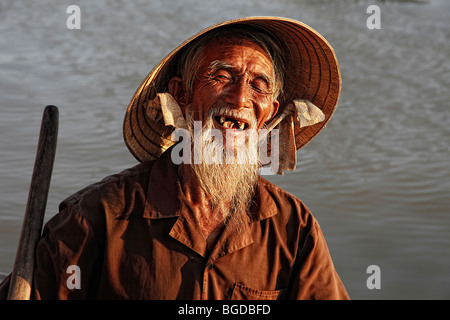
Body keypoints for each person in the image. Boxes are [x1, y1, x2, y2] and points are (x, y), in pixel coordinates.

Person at [0, 17, 349, 299]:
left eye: (259, 84)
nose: (241, 96)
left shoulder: (292, 227)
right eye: (222, 75)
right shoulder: (98, 215)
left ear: (268, 115)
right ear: (181, 95)